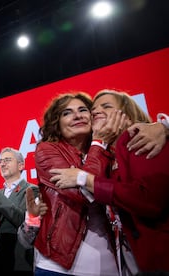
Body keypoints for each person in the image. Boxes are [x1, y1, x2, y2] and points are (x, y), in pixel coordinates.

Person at [50, 90, 169, 273]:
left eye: (106, 107)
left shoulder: (139, 137)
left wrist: (85, 179)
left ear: (127, 116)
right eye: (94, 109)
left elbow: (149, 199)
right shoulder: (107, 156)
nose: (95, 112)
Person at [33, 92, 122, 276]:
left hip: (107, 261)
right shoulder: (46, 150)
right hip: (59, 264)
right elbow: (82, 194)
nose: (77, 115)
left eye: (83, 110)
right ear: (56, 123)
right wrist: (98, 143)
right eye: (67, 113)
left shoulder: (108, 150)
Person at [0, 147, 39, 275]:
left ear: (21, 165)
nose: (2, 164)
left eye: (7, 160)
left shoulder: (31, 190)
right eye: (0, 161)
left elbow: (22, 220)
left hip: (17, 261)